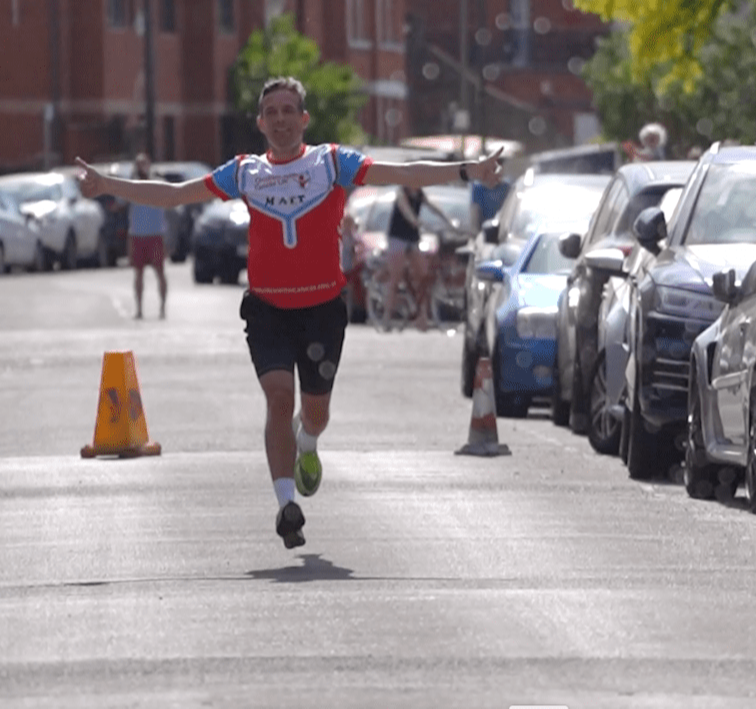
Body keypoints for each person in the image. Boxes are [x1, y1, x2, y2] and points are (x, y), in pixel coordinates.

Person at [73, 76, 504, 551]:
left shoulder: (330, 163)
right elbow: (175, 194)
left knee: (313, 413)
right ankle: (285, 506)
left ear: (304, 120)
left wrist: (469, 171)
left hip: (322, 308)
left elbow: (403, 175)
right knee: (279, 399)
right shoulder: (245, 172)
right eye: (271, 112)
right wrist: (107, 184)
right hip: (268, 308)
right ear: (260, 123)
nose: (280, 120)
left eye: (288, 111)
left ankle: (308, 442)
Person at [382, 183, 457, 332]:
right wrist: (417, 222)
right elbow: (406, 211)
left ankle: (422, 318)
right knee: (395, 279)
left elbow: (433, 207)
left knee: (422, 277)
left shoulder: (419, 194)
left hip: (413, 238)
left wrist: (448, 220)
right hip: (398, 238)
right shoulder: (401, 193)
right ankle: (386, 318)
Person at [126, 153, 168, 321]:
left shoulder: (158, 183)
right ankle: (139, 309)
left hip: (156, 234)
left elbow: (170, 201)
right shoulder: (131, 185)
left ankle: (163, 308)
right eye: (138, 164)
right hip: (137, 235)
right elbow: (120, 203)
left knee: (160, 272)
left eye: (144, 163)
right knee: (138, 273)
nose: (141, 167)